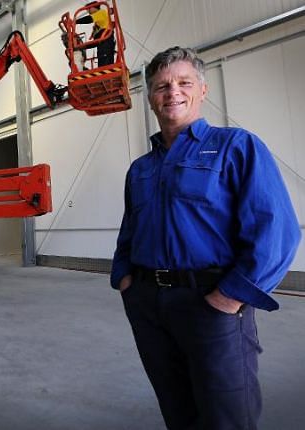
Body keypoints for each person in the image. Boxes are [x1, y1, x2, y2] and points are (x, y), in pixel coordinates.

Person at [110, 46, 301, 430]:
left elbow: (276, 229)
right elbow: (130, 229)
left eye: (184, 82)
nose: (172, 92)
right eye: (162, 85)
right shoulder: (140, 168)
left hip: (210, 303)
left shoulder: (237, 146)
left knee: (226, 416)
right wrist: (126, 280)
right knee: (176, 407)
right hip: (149, 304)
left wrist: (229, 298)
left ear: (202, 89)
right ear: (150, 98)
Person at [76, 2, 115, 67]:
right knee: (104, 66)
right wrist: (84, 46)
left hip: (106, 46)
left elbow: (89, 19)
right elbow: (97, 41)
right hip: (104, 46)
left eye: (88, 9)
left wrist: (75, 21)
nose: (88, 11)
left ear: (94, 7)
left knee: (104, 67)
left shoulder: (101, 12)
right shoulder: (99, 24)